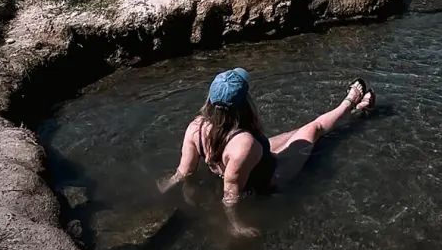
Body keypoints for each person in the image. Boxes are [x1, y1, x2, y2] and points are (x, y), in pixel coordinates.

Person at [158, 68, 375, 235]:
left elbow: (183, 172)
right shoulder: (244, 143)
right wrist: (236, 226)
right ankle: (352, 102)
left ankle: (356, 110)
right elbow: (231, 196)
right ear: (244, 104)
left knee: (301, 131)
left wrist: (164, 187)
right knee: (314, 129)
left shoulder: (196, 127)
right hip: (272, 176)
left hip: (253, 159)